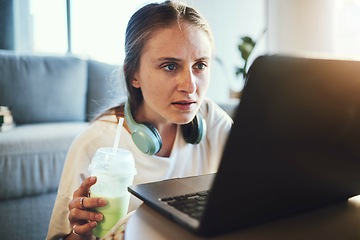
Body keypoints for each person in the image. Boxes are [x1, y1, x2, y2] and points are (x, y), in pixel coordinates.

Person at [47, 1, 233, 239]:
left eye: (200, 65)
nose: (190, 86)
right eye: (170, 66)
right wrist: (81, 235)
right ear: (134, 75)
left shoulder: (211, 118)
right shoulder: (95, 144)